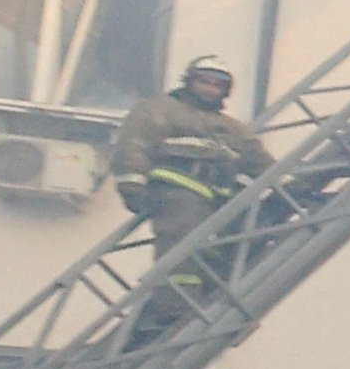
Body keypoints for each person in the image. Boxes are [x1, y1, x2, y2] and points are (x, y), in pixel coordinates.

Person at [109, 55, 265, 239]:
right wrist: (131, 187)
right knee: (183, 256)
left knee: (224, 254)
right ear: (189, 81)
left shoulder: (233, 128)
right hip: (174, 195)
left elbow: (259, 160)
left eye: (217, 85)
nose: (210, 89)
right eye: (204, 82)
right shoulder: (160, 110)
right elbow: (134, 146)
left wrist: (292, 182)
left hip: (218, 202)